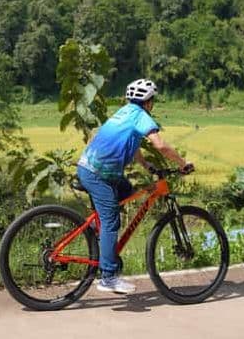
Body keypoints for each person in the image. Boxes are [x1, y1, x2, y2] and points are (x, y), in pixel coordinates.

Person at [76, 78, 194, 295]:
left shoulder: (125, 112)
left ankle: (97, 234)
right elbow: (160, 145)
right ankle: (108, 277)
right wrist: (183, 164)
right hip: (98, 175)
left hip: (94, 170)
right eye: (152, 100)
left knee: (126, 191)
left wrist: (146, 165)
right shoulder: (141, 116)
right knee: (112, 221)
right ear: (149, 102)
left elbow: (132, 143)